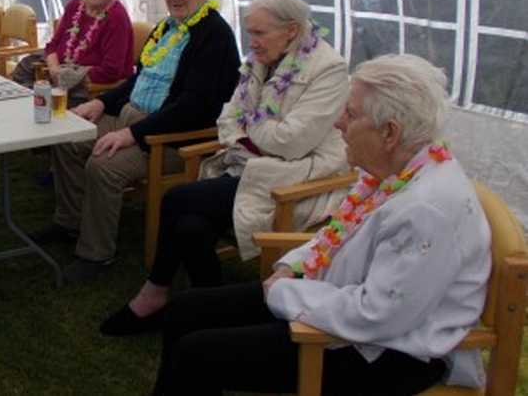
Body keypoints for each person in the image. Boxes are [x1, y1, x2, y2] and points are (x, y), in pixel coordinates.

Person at [149, 54, 491, 396]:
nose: (338, 122)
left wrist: (284, 292)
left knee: (197, 354)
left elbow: (377, 316)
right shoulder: (394, 172)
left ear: (389, 132)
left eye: (351, 114)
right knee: (183, 310)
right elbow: (335, 235)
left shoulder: (425, 209)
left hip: (383, 352)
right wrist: (291, 267)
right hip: (338, 303)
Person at [101, 0, 349, 334]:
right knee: (191, 226)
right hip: (244, 163)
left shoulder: (328, 69)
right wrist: (250, 133)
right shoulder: (260, 58)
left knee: (177, 199)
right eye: (250, 33)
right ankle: (211, 312)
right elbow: (227, 119)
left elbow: (293, 143)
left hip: (294, 178)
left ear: (291, 31)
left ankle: (153, 292)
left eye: (259, 33)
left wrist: (250, 130)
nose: (253, 42)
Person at [33, 0, 240, 282]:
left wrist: (132, 134)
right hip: (134, 120)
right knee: (69, 136)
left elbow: (191, 108)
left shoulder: (214, 36)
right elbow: (137, 80)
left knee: (103, 164)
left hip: (172, 138)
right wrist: (101, 104)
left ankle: (95, 254)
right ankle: (69, 222)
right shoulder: (167, 27)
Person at [12, 0, 133, 106]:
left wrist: (71, 77)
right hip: (61, 74)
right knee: (24, 67)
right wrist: (55, 71)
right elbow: (53, 46)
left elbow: (112, 71)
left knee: (63, 99)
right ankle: (35, 106)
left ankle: (42, 108)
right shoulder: (75, 5)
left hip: (91, 88)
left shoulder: (117, 17)